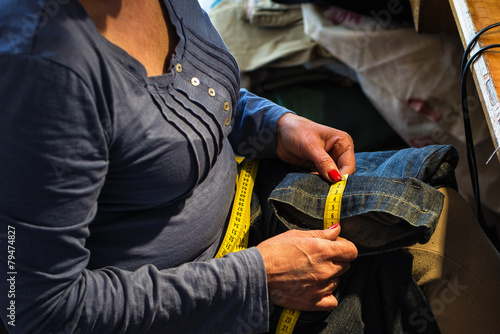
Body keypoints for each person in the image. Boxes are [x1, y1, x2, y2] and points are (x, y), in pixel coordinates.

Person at [0, 1, 499, 333]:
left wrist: (274, 124)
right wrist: (255, 280)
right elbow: (33, 310)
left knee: (435, 209)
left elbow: (184, 97)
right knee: (439, 260)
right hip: (200, 297)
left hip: (250, 216)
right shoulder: (41, 70)